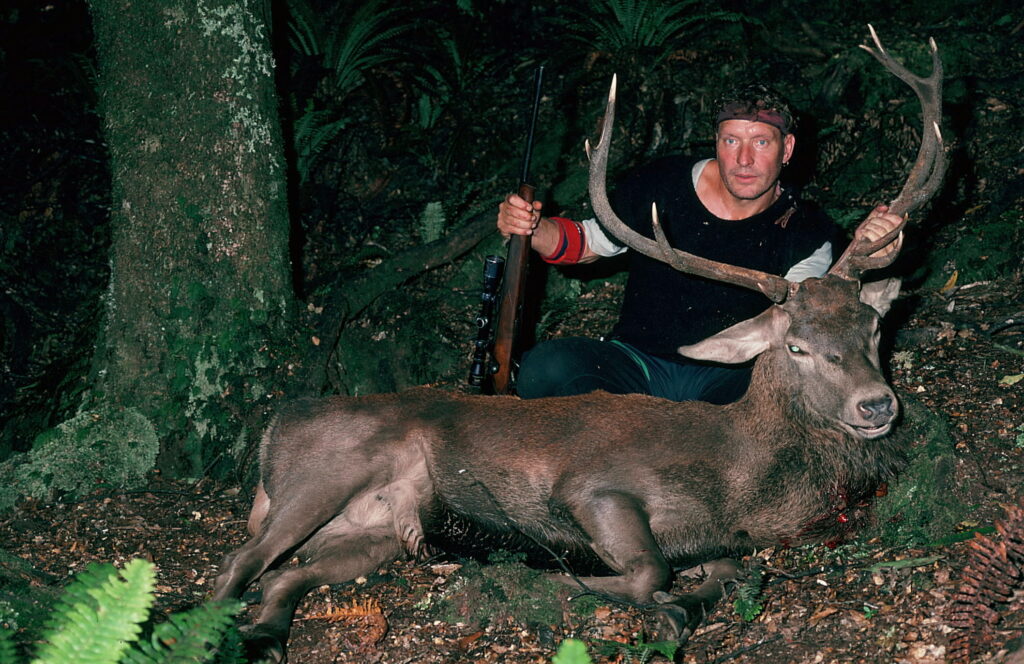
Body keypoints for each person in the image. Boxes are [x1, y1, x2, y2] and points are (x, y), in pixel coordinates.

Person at [497, 84, 904, 403]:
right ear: (716, 142)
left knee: (776, 407)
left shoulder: (807, 232)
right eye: (731, 141)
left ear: (787, 149)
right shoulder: (660, 183)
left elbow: (811, 313)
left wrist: (864, 254)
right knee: (546, 369)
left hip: (730, 378)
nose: (744, 159)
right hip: (637, 363)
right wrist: (532, 227)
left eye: (761, 142)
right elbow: (586, 243)